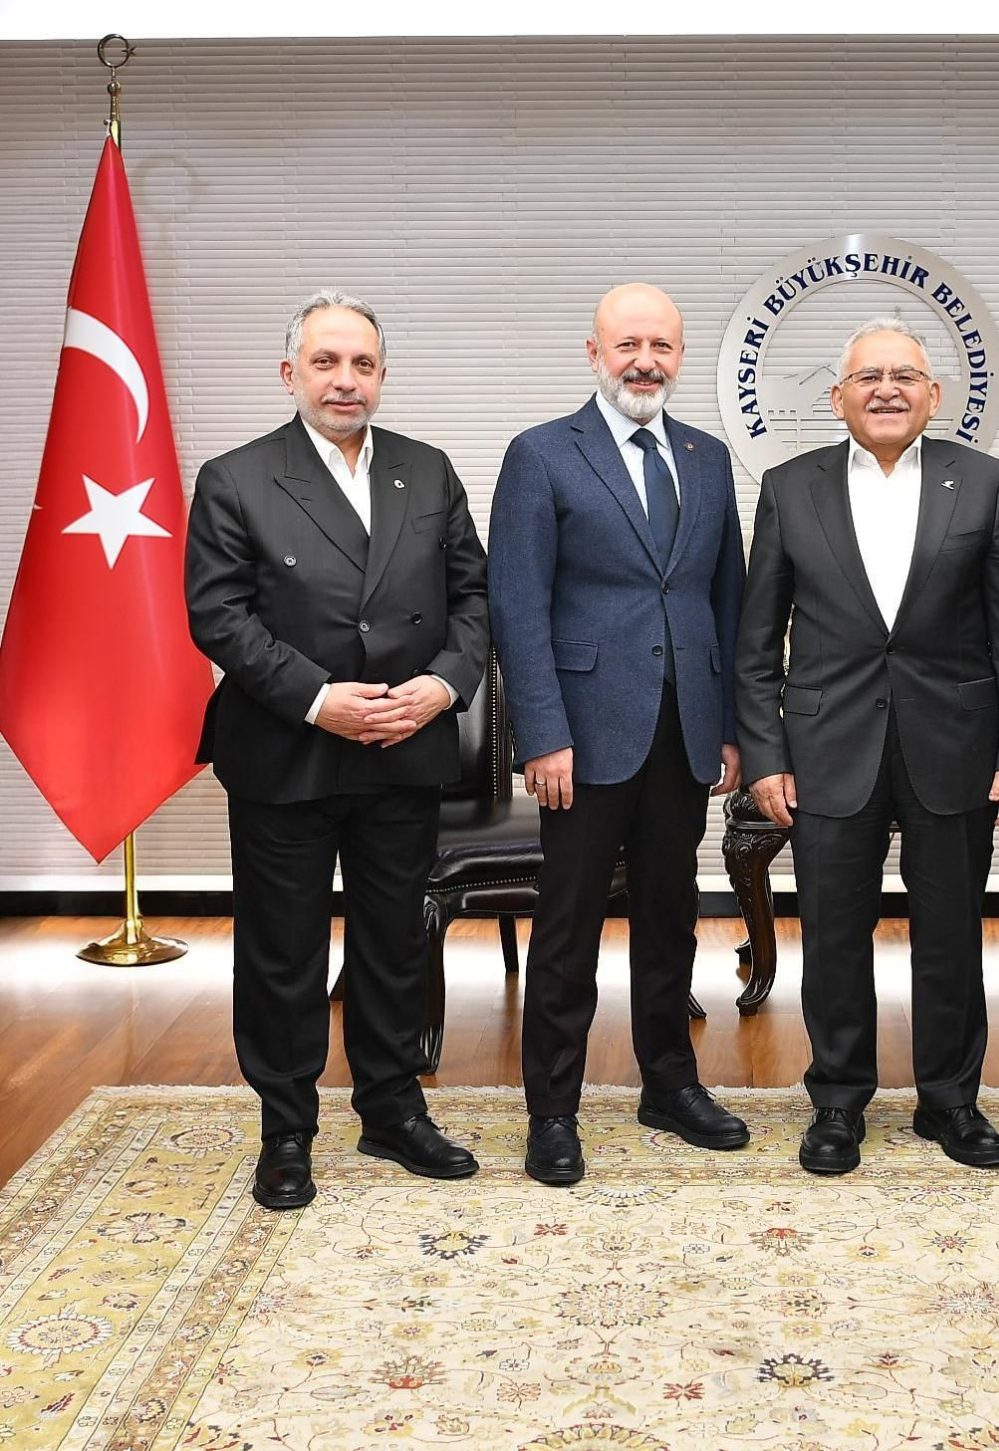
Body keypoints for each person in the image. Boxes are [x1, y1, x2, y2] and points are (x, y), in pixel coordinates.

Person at [185, 290, 488, 1209]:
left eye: (362, 364)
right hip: (287, 750)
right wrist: (320, 700)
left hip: (403, 744)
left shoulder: (428, 471)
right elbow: (218, 616)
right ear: (291, 374)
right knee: (283, 951)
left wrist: (443, 686)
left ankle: (392, 1110)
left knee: (394, 942)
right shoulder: (236, 477)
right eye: (326, 362)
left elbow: (474, 598)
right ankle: (286, 1130)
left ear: (383, 376)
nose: (345, 380)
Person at [735, 317, 999, 1175]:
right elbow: (756, 643)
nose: (886, 389)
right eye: (868, 376)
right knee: (834, 933)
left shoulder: (982, 481)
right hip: (827, 746)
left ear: (934, 395)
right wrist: (766, 756)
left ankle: (951, 1102)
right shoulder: (789, 487)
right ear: (838, 397)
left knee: (951, 932)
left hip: (956, 743)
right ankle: (837, 1103)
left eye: (904, 375)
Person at [490, 282, 749, 1186]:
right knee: (568, 928)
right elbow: (517, 606)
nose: (645, 361)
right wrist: (541, 732)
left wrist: (728, 727)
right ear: (594, 353)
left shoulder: (708, 458)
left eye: (661, 346)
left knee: (672, 916)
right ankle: (552, 1110)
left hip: (685, 730)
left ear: (680, 355)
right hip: (582, 736)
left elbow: (727, 599)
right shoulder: (540, 454)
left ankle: (668, 1083)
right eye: (628, 344)